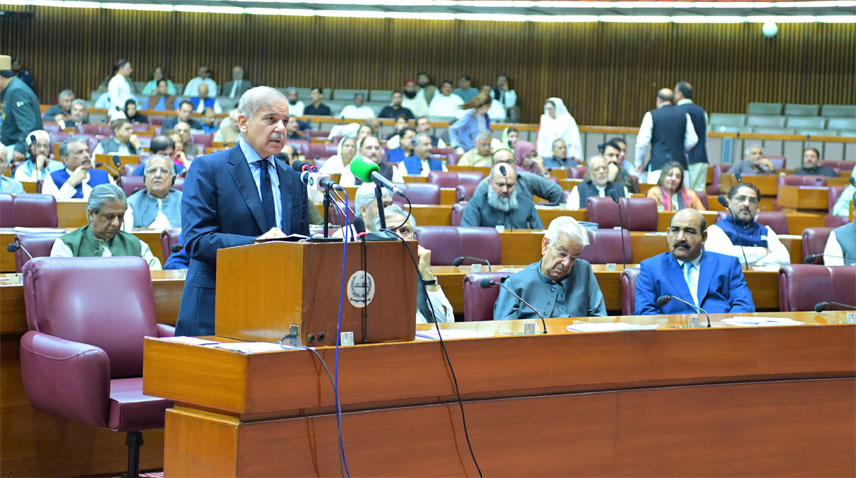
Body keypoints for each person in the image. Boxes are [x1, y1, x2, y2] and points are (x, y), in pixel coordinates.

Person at [176, 86, 311, 336]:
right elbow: (197, 241)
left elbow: (299, 241)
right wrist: (258, 244)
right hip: (216, 307)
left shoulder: (293, 179)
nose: (280, 128)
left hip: (276, 310)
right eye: (270, 119)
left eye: (285, 121)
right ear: (243, 123)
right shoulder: (208, 168)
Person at [635, 208, 755, 315]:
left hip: (720, 330)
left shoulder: (727, 265)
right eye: (675, 230)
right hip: (674, 331)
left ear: (704, 237)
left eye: (689, 231)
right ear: (667, 233)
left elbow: (744, 305)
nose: (680, 238)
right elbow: (645, 312)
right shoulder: (651, 268)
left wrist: (724, 328)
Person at [494, 216, 606, 320]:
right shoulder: (514, 284)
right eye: (562, 254)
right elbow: (504, 330)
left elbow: (600, 318)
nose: (566, 263)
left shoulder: (584, 271)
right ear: (545, 245)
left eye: (573, 258)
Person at [369, 204, 454, 324]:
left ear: (413, 237)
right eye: (391, 232)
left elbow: (445, 322)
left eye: (404, 231)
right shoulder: (368, 273)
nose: (399, 237)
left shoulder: (420, 271)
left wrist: (428, 275)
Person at [49, 184, 161, 269]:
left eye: (120, 216)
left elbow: (155, 279)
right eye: (109, 216)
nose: (116, 223)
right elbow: (60, 285)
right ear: (91, 214)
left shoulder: (137, 246)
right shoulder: (66, 245)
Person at [705, 183, 790, 266]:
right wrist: (764, 252)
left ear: (757, 207)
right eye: (741, 199)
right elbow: (727, 257)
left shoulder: (766, 231)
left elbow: (784, 259)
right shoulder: (715, 230)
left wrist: (757, 265)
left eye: (752, 201)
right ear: (728, 203)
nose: (747, 204)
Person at [634, 88, 698, 184]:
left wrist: (638, 163)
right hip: (680, 167)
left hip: (658, 165)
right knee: (681, 193)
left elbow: (642, 144)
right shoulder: (684, 115)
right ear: (673, 100)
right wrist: (679, 147)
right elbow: (693, 139)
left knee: (657, 193)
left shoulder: (651, 115)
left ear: (659, 100)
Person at [461, 163, 543, 230]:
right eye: (500, 185)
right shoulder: (475, 205)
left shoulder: (527, 204)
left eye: (510, 185)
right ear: (489, 183)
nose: (505, 190)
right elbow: (469, 238)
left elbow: (541, 236)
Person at [472, 148, 564, 206]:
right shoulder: (485, 185)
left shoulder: (527, 178)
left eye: (509, 162)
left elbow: (556, 192)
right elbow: (475, 208)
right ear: (492, 166)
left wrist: (543, 212)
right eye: (500, 163)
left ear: (515, 164)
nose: (505, 166)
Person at [0, 54, 43, 161]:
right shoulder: (11, 88)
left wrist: (20, 148)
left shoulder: (16, 91)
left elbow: (28, 125)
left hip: (17, 150)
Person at [42, 138, 115, 200]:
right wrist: (70, 184)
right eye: (79, 152)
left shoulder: (104, 175)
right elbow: (51, 207)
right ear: (66, 160)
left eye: (87, 151)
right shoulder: (52, 178)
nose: (86, 155)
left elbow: (119, 201)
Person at [126, 155, 182, 229]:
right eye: (152, 171)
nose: (158, 175)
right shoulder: (131, 204)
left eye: (164, 171)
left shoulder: (185, 202)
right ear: (145, 178)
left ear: (173, 178)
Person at [674, 82, 709, 191]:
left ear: (680, 94)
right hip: (701, 158)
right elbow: (705, 137)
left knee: (683, 194)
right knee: (699, 194)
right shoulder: (702, 111)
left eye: (675, 92)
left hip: (683, 160)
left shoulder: (676, 112)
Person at [536, 98, 582, 164]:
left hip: (567, 157)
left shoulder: (569, 120)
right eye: (547, 109)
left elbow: (574, 141)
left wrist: (574, 156)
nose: (549, 111)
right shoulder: (544, 120)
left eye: (550, 109)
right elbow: (541, 140)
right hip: (547, 156)